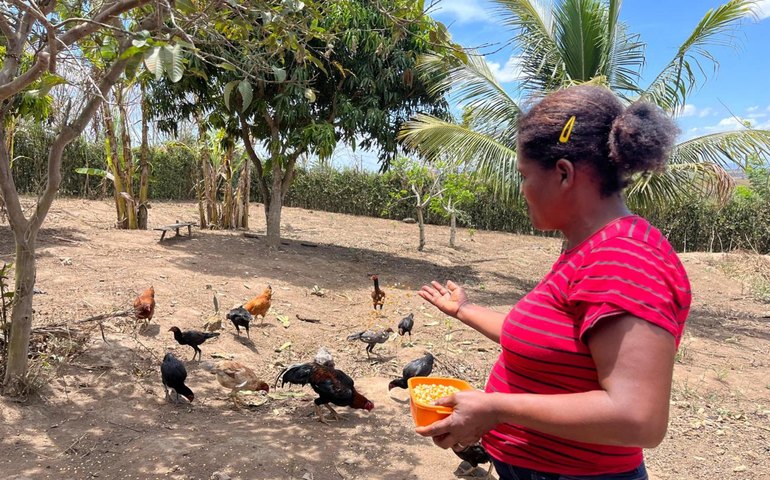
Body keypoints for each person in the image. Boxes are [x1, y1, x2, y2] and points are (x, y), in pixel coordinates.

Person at [416, 85, 690, 480]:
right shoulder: (591, 249)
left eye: (524, 175)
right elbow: (550, 341)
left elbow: (638, 418)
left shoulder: (624, 259)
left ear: (563, 173)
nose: (522, 190)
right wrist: (464, 309)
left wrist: (496, 408)